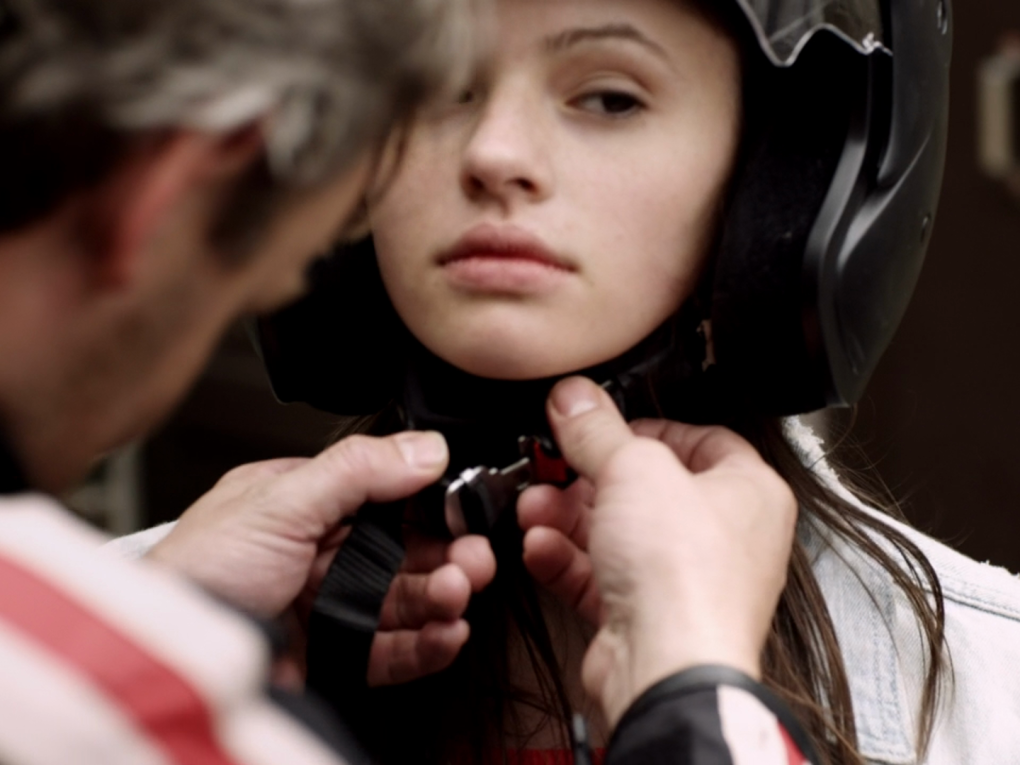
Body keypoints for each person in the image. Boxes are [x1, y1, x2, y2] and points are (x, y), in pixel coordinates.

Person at [247, 0, 1020, 762]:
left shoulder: (995, 703)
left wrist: (693, 682)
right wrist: (183, 647)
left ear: (780, 166)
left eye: (610, 98)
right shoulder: (201, 610)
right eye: (427, 84)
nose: (493, 153)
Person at [0, 0, 501, 761]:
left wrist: (160, 588)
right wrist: (685, 687)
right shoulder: (140, 719)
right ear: (158, 207)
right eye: (253, 288)